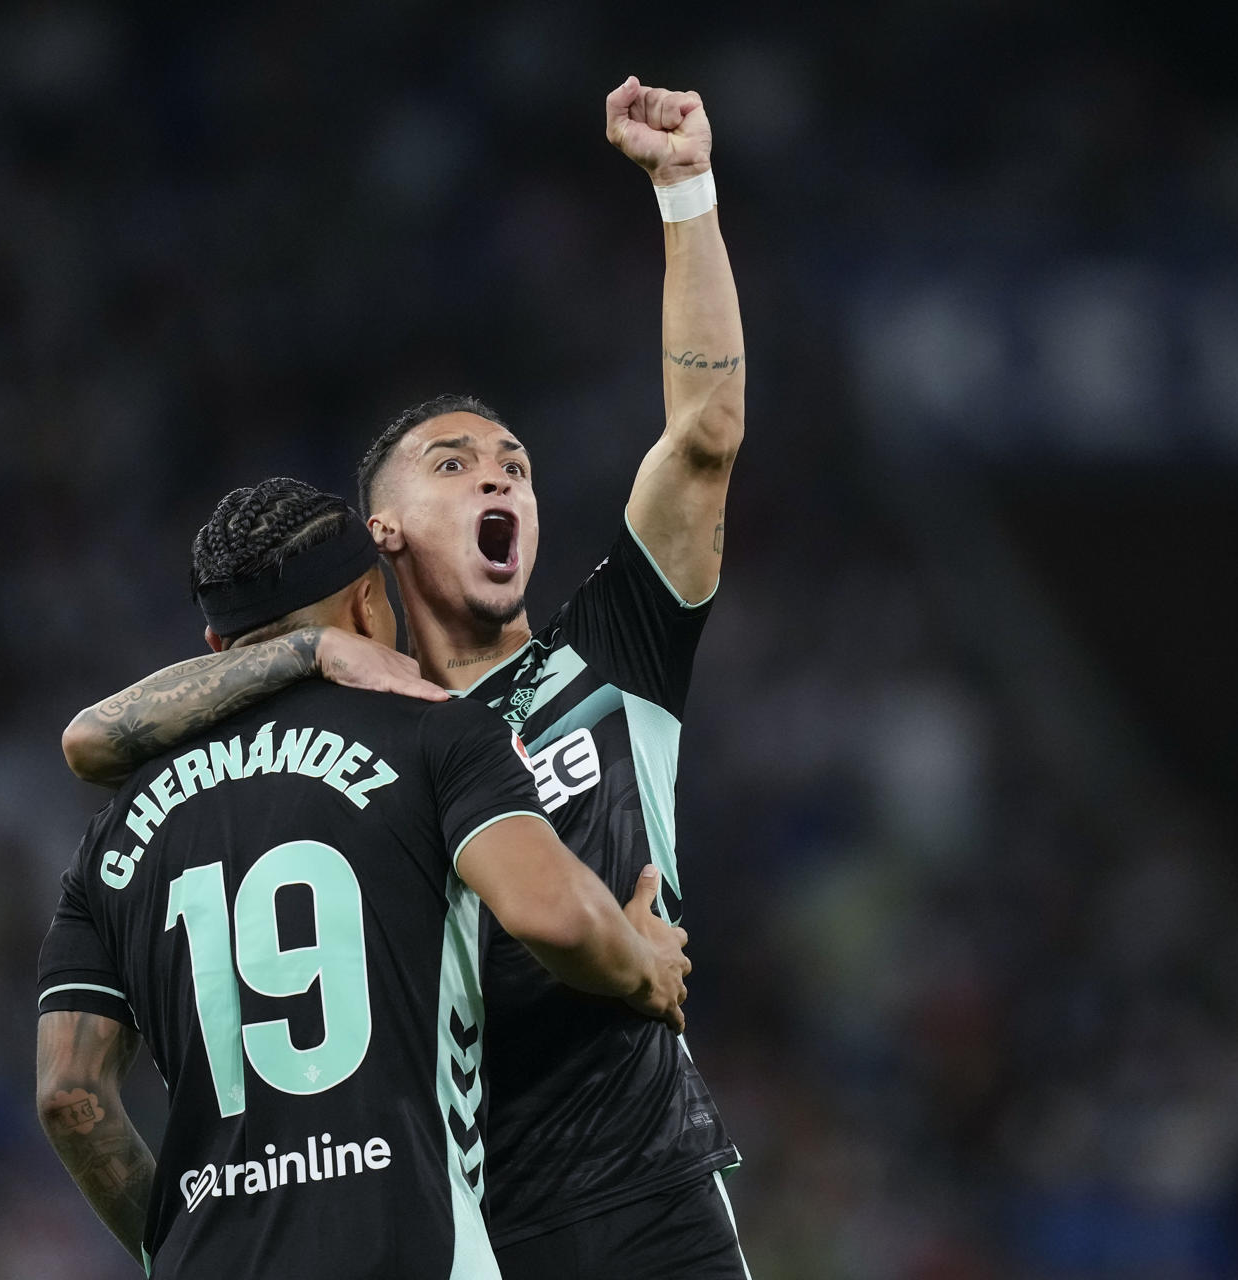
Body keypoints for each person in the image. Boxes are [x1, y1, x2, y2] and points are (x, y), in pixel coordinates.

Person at [61, 77, 749, 1278]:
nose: (503, 481)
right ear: (382, 534)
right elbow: (98, 738)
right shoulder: (347, 740)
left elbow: (703, 436)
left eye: (517, 465)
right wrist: (308, 649)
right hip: (456, 1227)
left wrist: (685, 190)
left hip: (653, 1198)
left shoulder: (611, 652)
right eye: (457, 463)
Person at [36, 478, 692, 1279]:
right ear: (366, 606)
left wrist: (166, 1248)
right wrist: (642, 966)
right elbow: (555, 917)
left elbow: (70, 1097)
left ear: (214, 651)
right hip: (408, 1249)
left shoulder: (111, 839)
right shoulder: (434, 736)